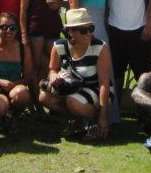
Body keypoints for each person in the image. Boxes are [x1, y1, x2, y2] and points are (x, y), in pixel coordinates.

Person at [39, 8, 114, 141]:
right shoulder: (59, 46)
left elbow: (104, 83)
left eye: (91, 28)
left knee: (72, 101)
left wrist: (104, 116)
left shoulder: (100, 48)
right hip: (71, 87)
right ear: (71, 32)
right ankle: (75, 120)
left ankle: (94, 122)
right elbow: (52, 69)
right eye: (84, 30)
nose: (89, 34)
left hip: (96, 88)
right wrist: (53, 75)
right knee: (44, 97)